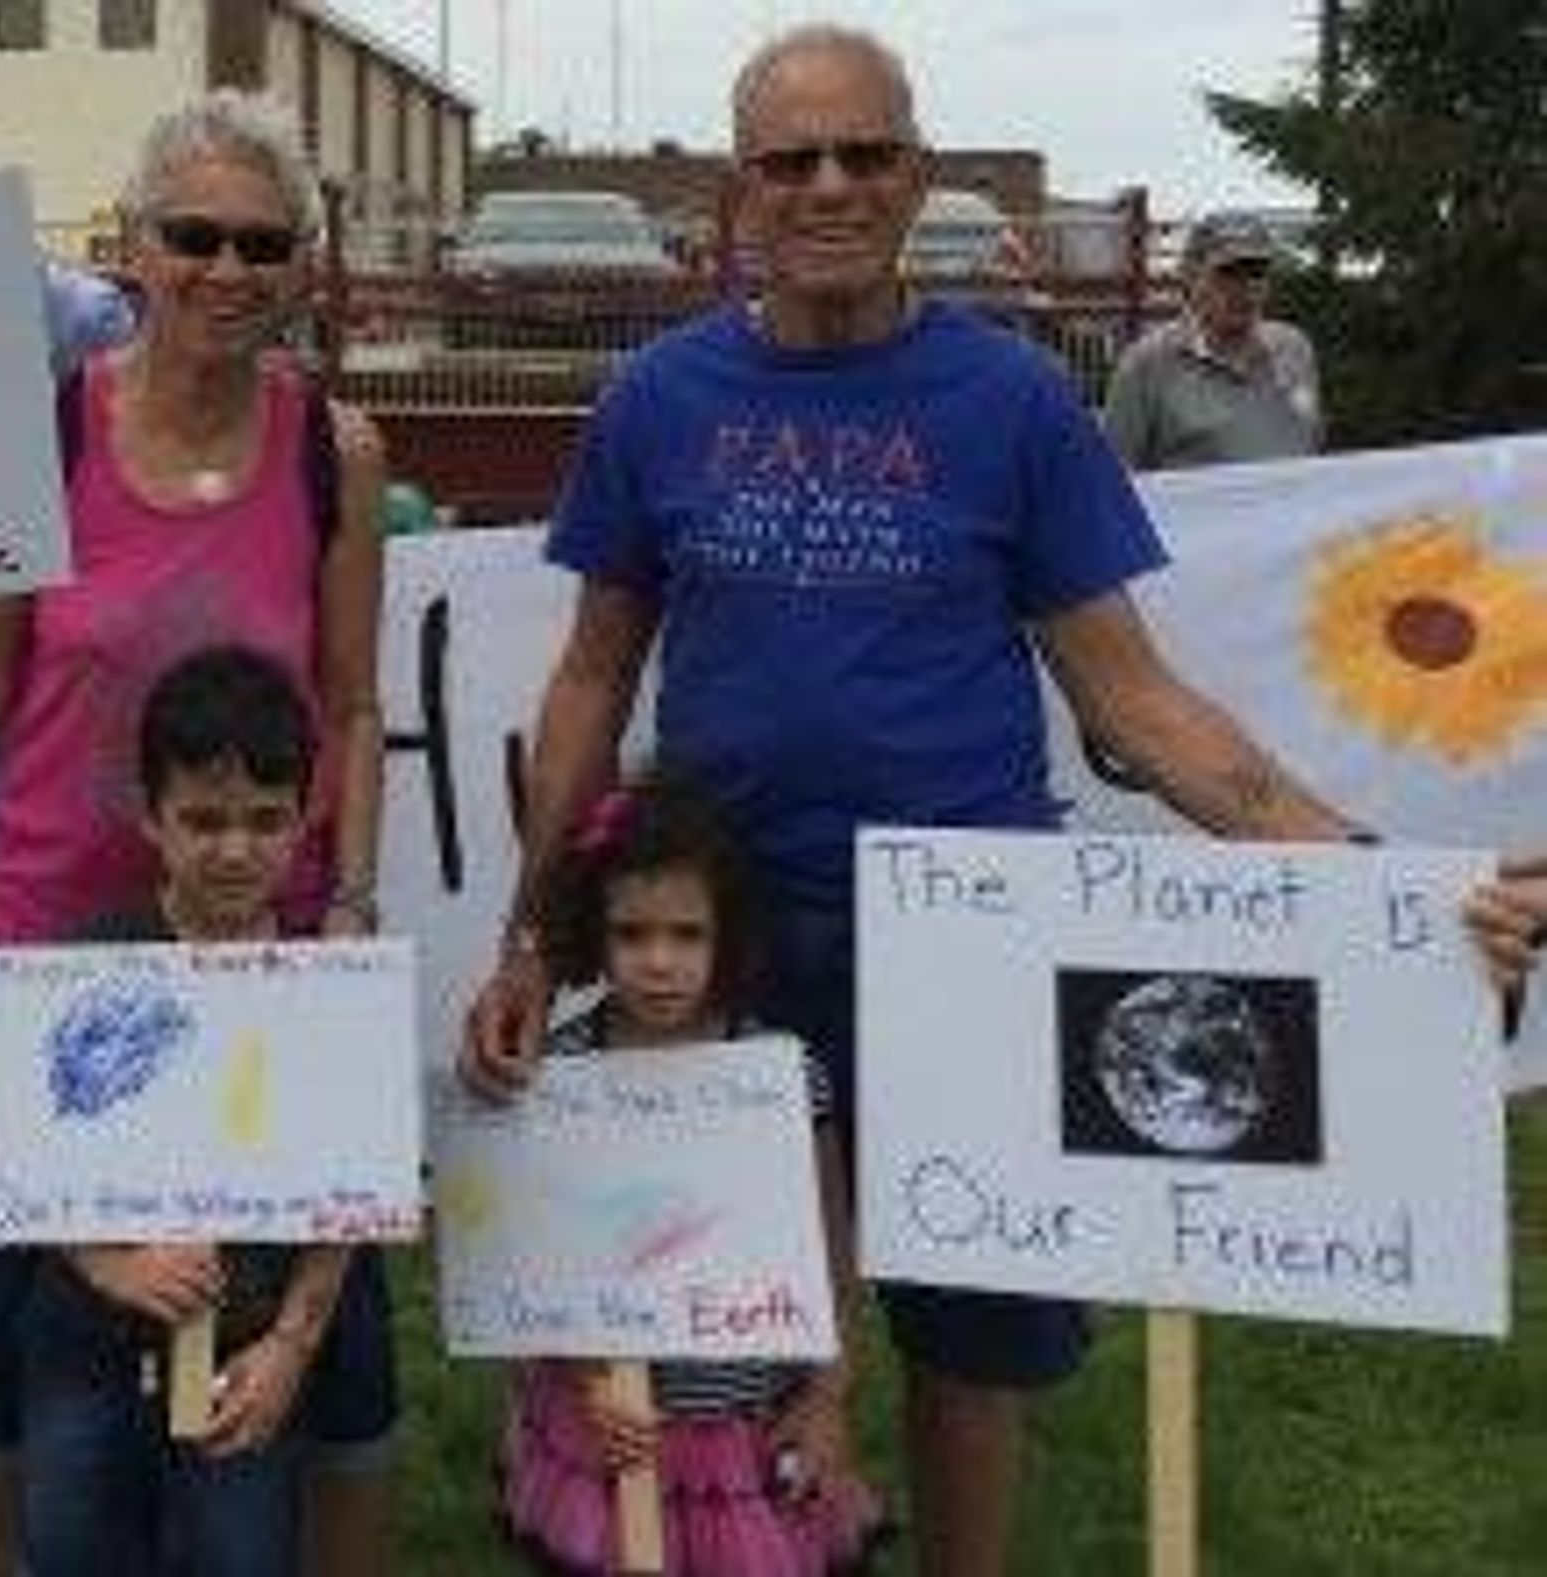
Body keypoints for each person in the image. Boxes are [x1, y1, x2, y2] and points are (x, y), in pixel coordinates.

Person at [458, 25, 1544, 1577]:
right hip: (718, 946)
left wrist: (1381, 882)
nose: (828, 184)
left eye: (864, 153)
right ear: (737, 190)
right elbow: (586, 679)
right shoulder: (655, 399)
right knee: (714, 1321)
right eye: (790, 159)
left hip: (967, 945)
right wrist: (525, 936)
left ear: (915, 171)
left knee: (971, 1338)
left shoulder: (1016, 401)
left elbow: (1138, 699)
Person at [0, 90, 392, 1577]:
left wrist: (346, 893)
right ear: (131, 248)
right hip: (49, 956)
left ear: (298, 262)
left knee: (329, 1334)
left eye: (262, 242)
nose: (227, 271)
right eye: (194, 237)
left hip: (260, 952)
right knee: (9, 1326)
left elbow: (351, 703)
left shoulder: (332, 453)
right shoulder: (41, 429)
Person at [497, 770, 887, 1576]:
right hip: (606, 1416)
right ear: (594, 934)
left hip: (746, 1423)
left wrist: (826, 1395)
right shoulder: (562, 1071)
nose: (659, 961)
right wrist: (588, 1380)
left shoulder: (782, 1076)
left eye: (686, 934)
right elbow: (532, 1260)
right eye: (632, 934)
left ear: (728, 934)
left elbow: (830, 1254)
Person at [17, 645, 355, 1577]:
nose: (236, 849)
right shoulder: (91, 960)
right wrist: (112, 1264)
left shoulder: (328, 988)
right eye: (203, 820)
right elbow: (33, 1162)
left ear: (303, 817)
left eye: (265, 820)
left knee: (238, 1556)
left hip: (248, 1344)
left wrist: (291, 1344)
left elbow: (347, 1192)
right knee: (72, 1547)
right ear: (151, 815)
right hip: (86, 1339)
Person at [1103, 209, 1322, 470]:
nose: (1244, 289)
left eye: (1256, 273)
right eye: (1228, 274)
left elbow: (1311, 447)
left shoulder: (1295, 348)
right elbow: (1114, 479)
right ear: (1190, 277)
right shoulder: (1145, 366)